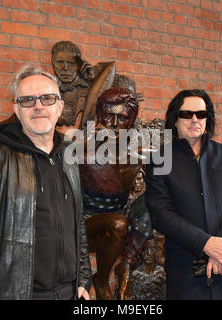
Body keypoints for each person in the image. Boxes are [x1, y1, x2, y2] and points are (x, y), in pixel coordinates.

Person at [0, 65, 92, 300]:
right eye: (27, 100)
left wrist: (83, 278)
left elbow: (77, 221)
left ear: (60, 106)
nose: (38, 106)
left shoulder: (69, 155)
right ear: (17, 110)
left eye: (47, 98)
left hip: (69, 292)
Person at [144, 89, 222, 299]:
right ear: (175, 120)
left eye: (201, 114)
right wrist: (205, 244)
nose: (194, 119)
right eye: (187, 114)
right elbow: (160, 212)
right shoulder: (160, 159)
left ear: (208, 120)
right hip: (187, 266)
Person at [78, 87, 153, 300]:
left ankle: (125, 266)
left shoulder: (140, 152)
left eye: (122, 118)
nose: (114, 123)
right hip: (86, 225)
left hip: (122, 214)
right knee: (118, 224)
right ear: (100, 117)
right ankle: (101, 279)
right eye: (109, 116)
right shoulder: (82, 148)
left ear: (132, 121)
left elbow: (178, 158)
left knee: (155, 200)